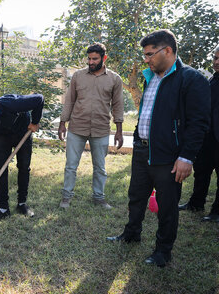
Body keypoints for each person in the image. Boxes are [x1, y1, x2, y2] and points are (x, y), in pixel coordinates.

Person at [107, 30, 210, 267]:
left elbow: (198, 123)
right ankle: (132, 234)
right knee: (136, 196)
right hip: (143, 150)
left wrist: (186, 157)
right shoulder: (150, 77)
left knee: (167, 205)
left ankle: (163, 251)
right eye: (145, 55)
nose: (146, 59)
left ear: (168, 51)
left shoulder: (191, 79)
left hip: (169, 155)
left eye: (150, 54)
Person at [58, 43, 124, 209]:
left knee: (100, 167)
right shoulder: (78, 76)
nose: (91, 62)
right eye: (89, 58)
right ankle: (66, 197)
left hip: (101, 129)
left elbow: (118, 105)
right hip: (77, 127)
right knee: (71, 165)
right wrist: (62, 124)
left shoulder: (115, 79)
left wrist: (119, 131)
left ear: (104, 58)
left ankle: (99, 197)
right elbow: (69, 100)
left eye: (95, 58)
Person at [0, 94, 44, 222]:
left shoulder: (12, 104)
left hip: (23, 131)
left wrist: (35, 122)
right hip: (3, 135)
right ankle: (3, 209)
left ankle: (22, 204)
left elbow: (39, 99)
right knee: (0, 168)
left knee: (23, 167)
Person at [178, 45, 219, 222]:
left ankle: (217, 212)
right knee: (201, 171)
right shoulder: (212, 80)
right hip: (207, 136)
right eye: (215, 58)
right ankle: (196, 203)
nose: (216, 62)